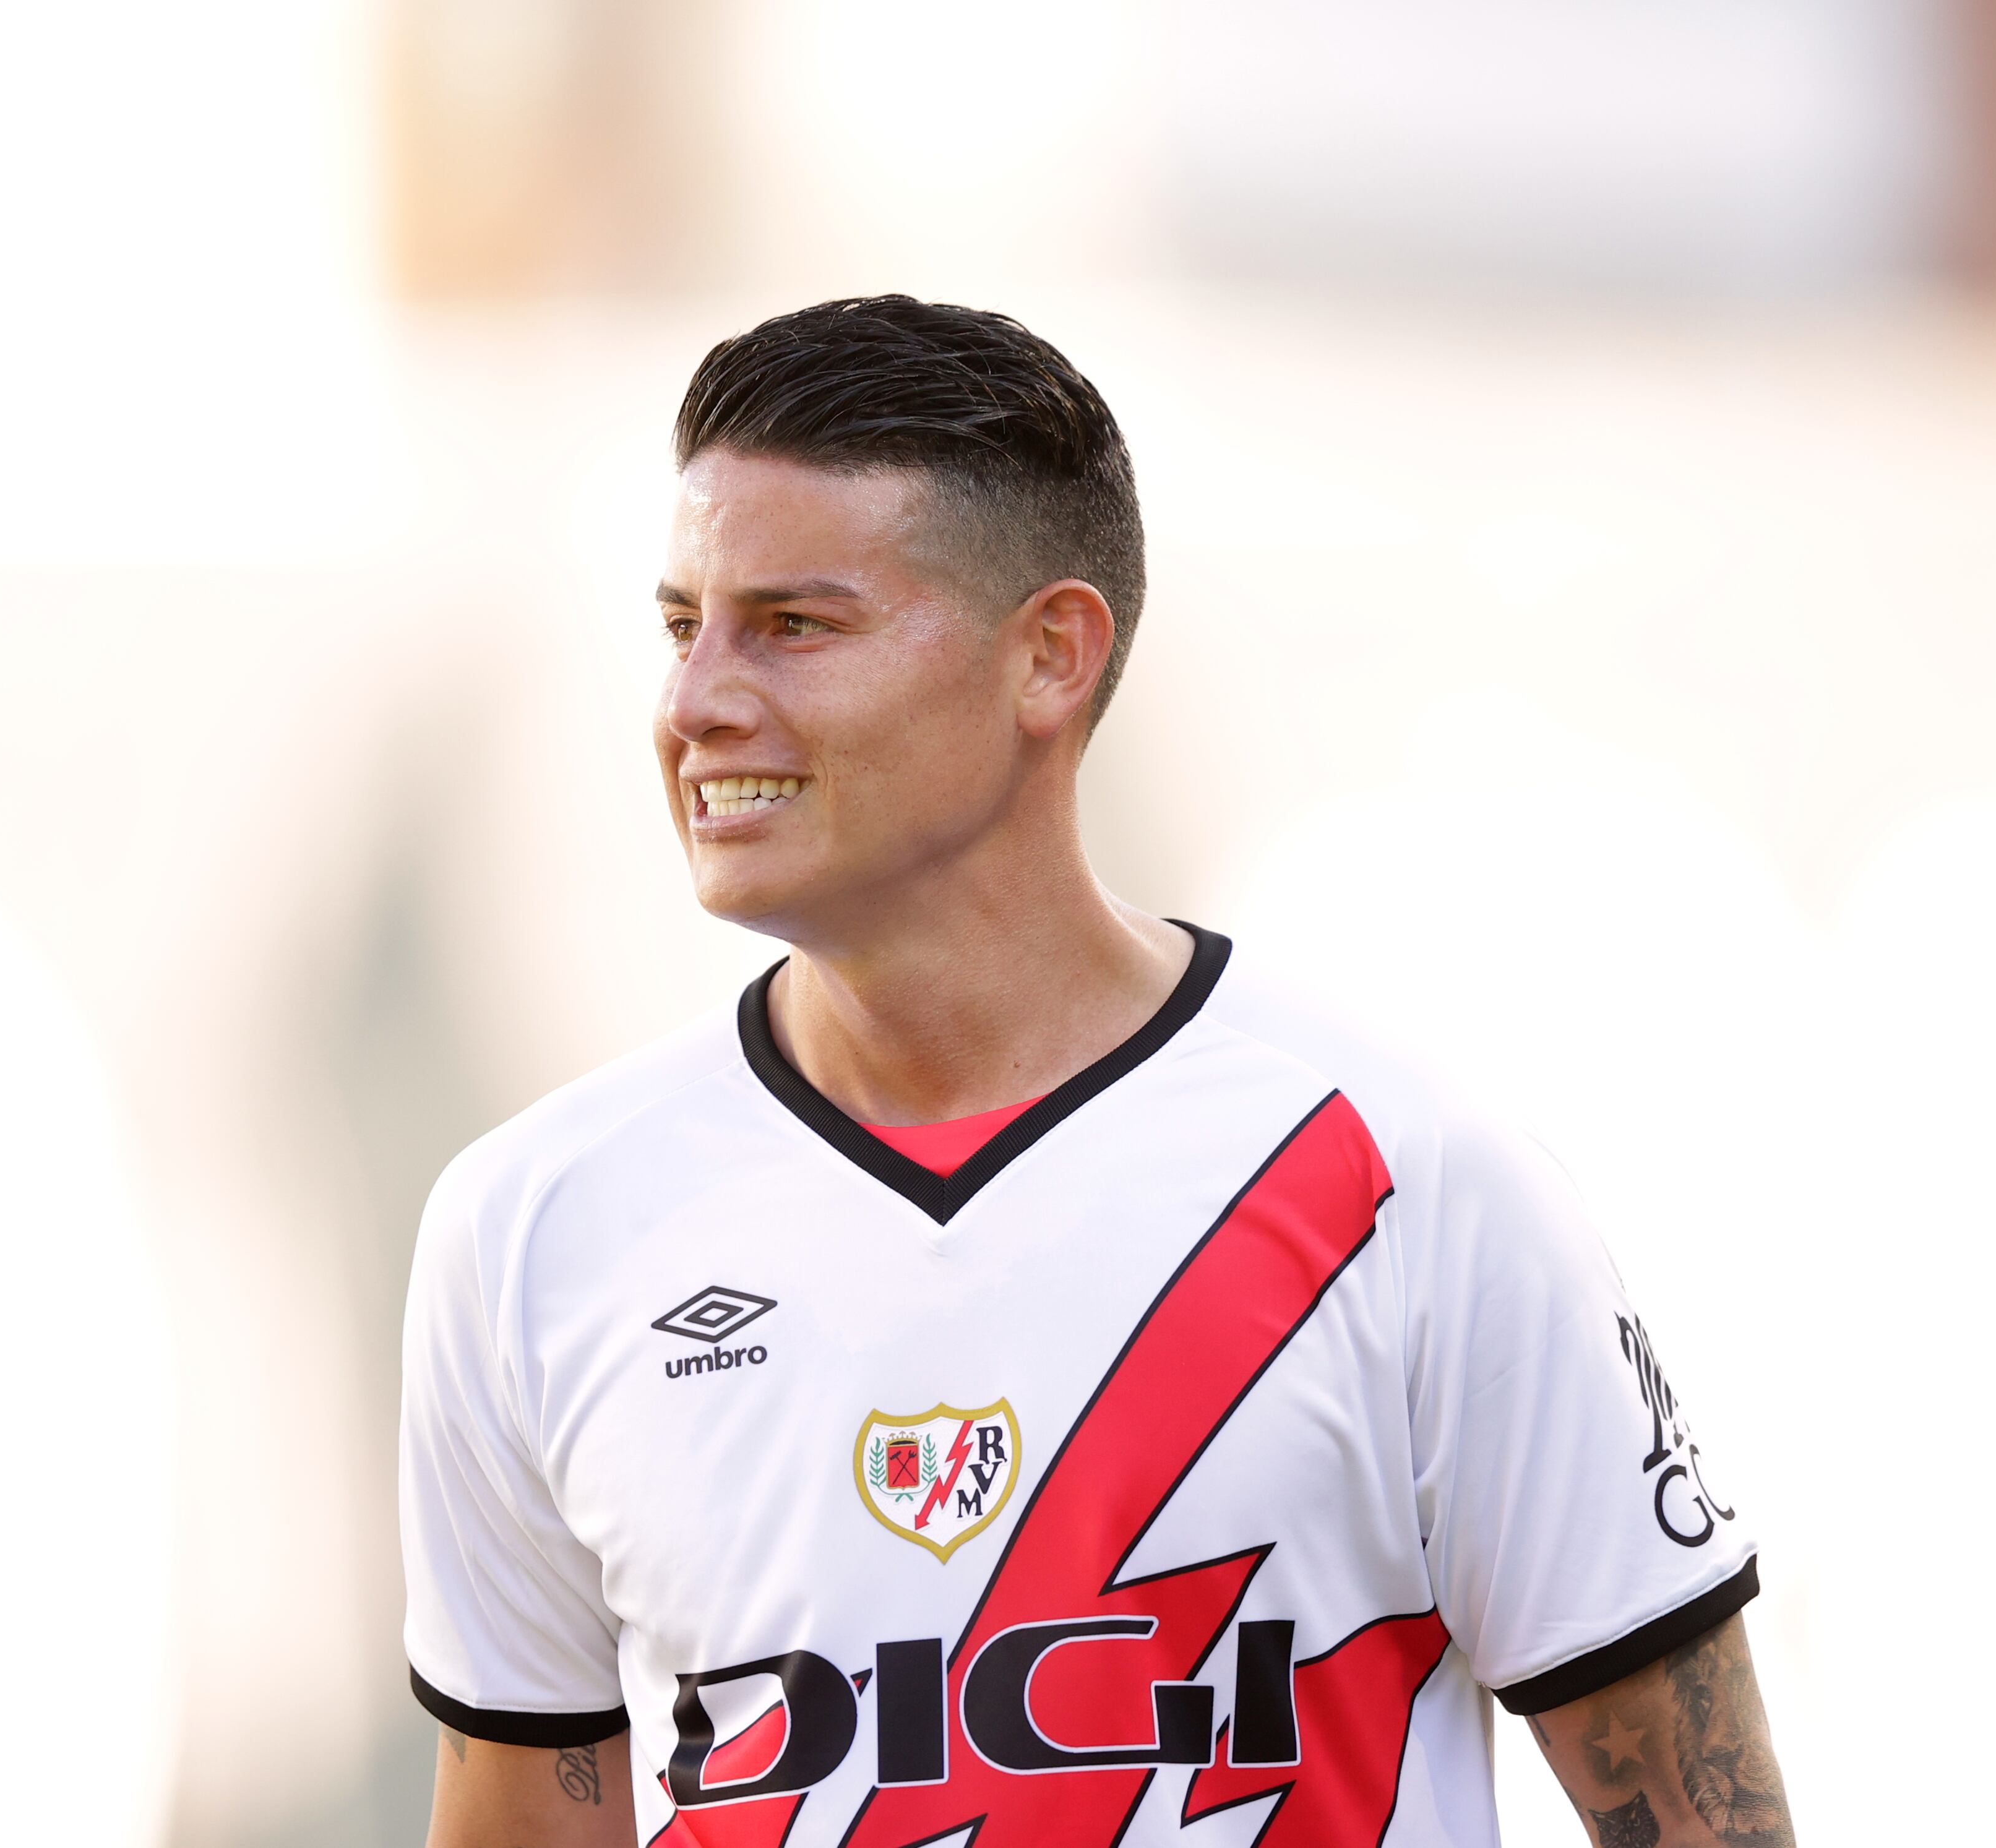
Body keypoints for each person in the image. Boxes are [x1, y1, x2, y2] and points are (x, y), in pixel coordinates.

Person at [399, 295, 1794, 1848]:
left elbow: (1711, 1823)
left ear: (1051, 657)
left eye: (795, 625)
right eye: (682, 626)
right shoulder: (533, 1227)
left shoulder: (1409, 1182)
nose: (697, 701)